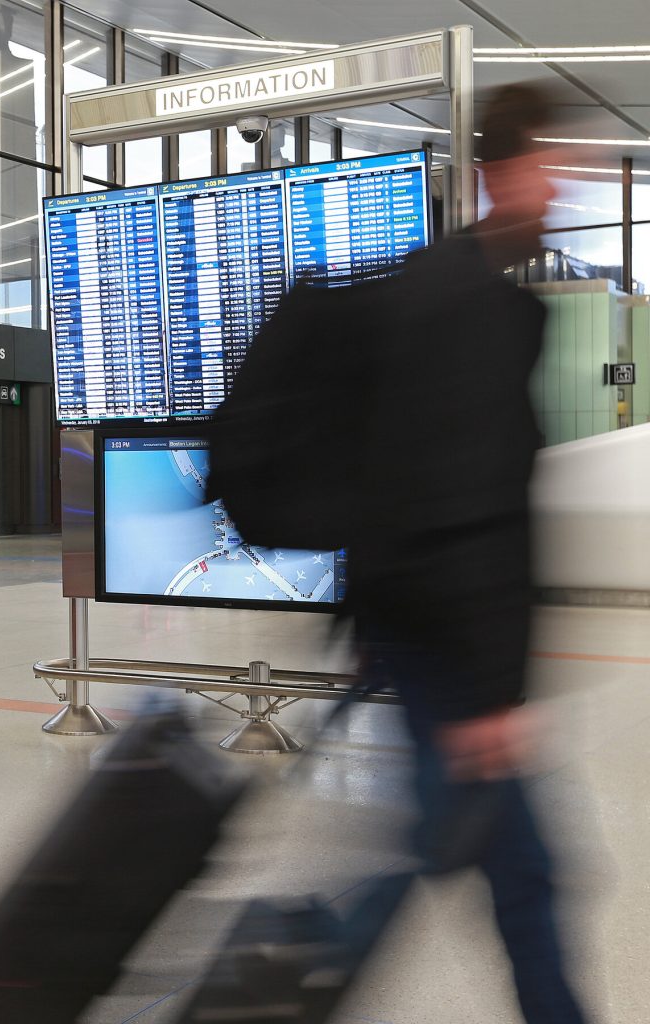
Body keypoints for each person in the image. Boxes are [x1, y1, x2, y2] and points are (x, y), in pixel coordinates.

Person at [352, 84, 588, 1022]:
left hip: (419, 640)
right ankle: (270, 986)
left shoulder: (432, 283)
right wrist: (491, 697)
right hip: (450, 660)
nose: (560, 188)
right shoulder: (473, 308)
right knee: (475, 869)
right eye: (550, 167)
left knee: (486, 866)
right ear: (503, 173)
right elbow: (467, 505)